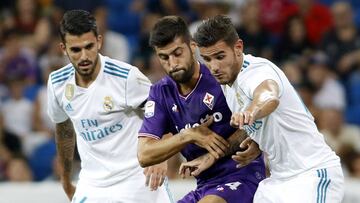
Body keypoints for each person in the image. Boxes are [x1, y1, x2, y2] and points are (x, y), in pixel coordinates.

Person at [192, 15, 344, 203]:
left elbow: (268, 95)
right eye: (207, 59)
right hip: (277, 182)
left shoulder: (257, 71)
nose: (214, 67)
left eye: (220, 57)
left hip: (311, 174)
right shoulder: (227, 82)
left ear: (238, 48)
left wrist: (251, 112)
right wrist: (257, 141)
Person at [47, 10, 173, 203]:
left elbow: (164, 111)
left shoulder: (125, 77)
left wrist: (161, 158)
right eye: (76, 50)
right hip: (93, 183)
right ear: (63, 49)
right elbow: (63, 129)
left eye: (89, 46)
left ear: (99, 41)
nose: (84, 56)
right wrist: (66, 179)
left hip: (138, 178)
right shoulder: (57, 84)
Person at [137, 15, 265, 203]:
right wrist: (189, 134)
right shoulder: (160, 92)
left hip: (243, 175)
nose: (172, 64)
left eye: (177, 53)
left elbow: (257, 123)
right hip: (205, 184)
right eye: (164, 57)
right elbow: (144, 154)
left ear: (193, 47)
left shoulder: (220, 77)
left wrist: (213, 153)